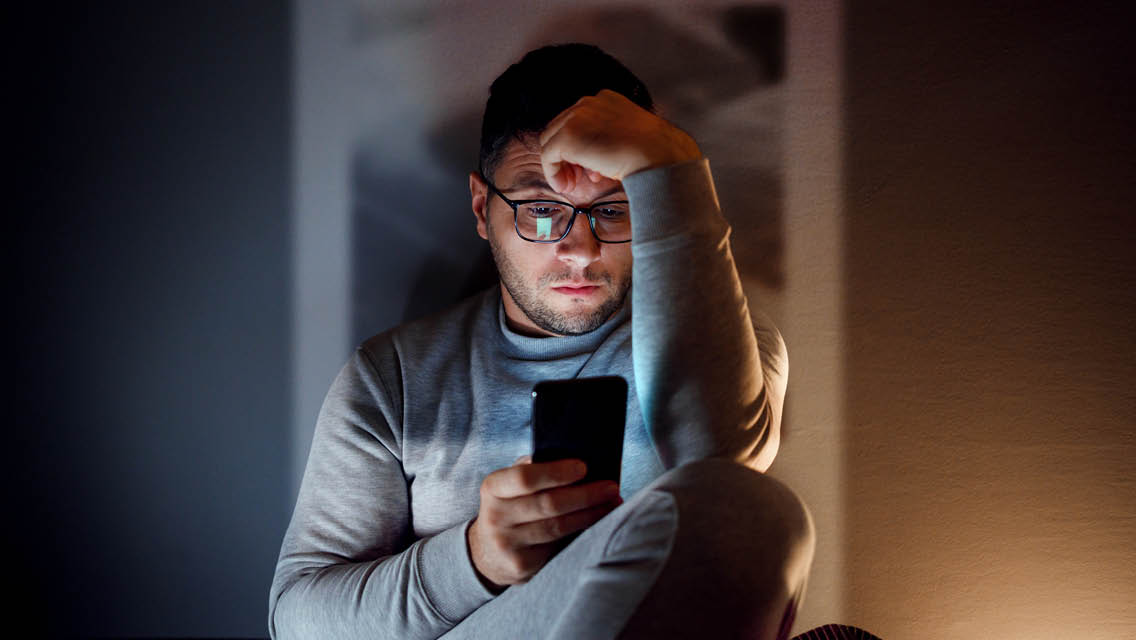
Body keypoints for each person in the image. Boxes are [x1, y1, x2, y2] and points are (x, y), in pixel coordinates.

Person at [269, 43, 814, 640]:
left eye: (613, 208)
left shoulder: (735, 343)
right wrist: (476, 558)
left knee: (761, 517)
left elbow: (719, 472)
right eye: (541, 210)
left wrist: (671, 165)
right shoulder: (391, 377)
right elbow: (297, 620)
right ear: (483, 207)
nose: (581, 250)